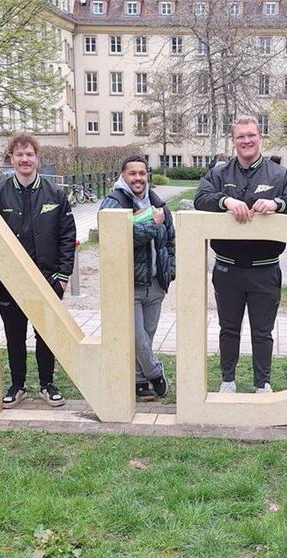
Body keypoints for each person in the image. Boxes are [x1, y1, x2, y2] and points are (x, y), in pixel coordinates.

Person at [194, 115, 287, 393]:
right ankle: (228, 381)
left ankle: (262, 384)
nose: (246, 141)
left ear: (260, 138)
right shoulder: (220, 174)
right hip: (227, 269)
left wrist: (277, 203)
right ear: (233, 141)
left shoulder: (279, 175)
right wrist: (226, 201)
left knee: (262, 332)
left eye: (251, 135)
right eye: (240, 137)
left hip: (265, 268)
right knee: (228, 329)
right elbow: (200, 198)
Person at [0, 133, 76, 407]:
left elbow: (67, 236)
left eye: (30, 154)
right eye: (19, 154)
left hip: (47, 278)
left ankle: (47, 384)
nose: (25, 159)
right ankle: (17, 384)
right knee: (14, 334)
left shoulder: (56, 194)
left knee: (46, 334)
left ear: (38, 159)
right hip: (9, 281)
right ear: (11, 159)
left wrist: (62, 277)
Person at [100, 155, 175, 401]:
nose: (138, 178)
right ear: (123, 175)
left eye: (142, 173)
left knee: (147, 337)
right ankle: (155, 372)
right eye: (132, 173)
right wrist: (152, 224)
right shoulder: (113, 203)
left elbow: (171, 240)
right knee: (136, 336)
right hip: (128, 284)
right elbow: (117, 239)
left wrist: (169, 270)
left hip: (155, 284)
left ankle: (140, 381)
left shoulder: (158, 203)